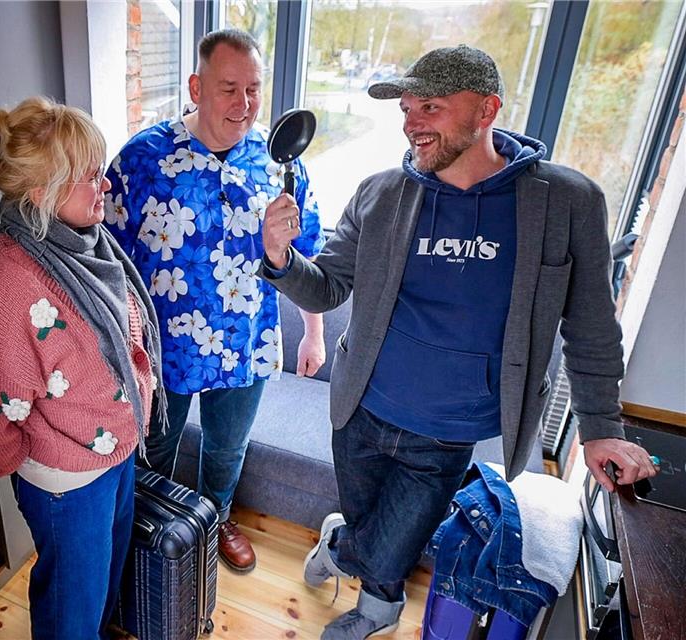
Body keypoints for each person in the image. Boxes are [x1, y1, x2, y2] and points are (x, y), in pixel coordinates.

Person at [260, 45, 658, 639]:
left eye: (432, 106)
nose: (411, 121)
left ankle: (369, 594)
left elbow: (592, 327)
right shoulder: (382, 192)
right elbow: (327, 289)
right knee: (376, 520)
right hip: (360, 408)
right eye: (407, 107)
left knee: (397, 540)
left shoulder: (567, 203)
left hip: (449, 428)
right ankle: (352, 549)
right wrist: (279, 257)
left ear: (486, 109)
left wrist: (601, 427)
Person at [103, 28, 325, 573]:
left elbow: (310, 263)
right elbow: (106, 264)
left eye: (253, 89)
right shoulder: (141, 160)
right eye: (229, 88)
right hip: (162, 349)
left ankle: (216, 521)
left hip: (245, 342)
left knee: (227, 451)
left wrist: (315, 334)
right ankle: (150, 528)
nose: (244, 104)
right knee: (155, 448)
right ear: (196, 86)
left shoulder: (278, 164)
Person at [0, 97, 163, 640]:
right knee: (70, 612)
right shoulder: (8, 291)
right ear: (41, 193)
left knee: (101, 586)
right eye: (89, 176)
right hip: (66, 482)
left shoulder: (90, 248)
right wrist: (38, 461)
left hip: (115, 456)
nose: (106, 185)